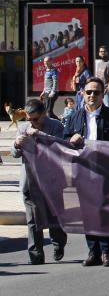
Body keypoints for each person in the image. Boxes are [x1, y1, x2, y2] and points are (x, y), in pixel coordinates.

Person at [65, 77, 109, 267]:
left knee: (104, 211)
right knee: (87, 212)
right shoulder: (73, 117)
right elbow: (63, 141)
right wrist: (70, 139)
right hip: (82, 171)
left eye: (96, 92)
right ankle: (94, 251)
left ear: (103, 94)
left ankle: (107, 252)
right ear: (82, 93)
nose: (92, 95)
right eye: (89, 92)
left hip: (105, 172)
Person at [12, 98, 68, 264]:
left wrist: (40, 135)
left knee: (54, 217)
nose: (32, 123)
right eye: (29, 119)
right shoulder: (23, 128)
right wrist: (16, 144)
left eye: (35, 119)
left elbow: (60, 148)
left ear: (44, 114)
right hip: (30, 181)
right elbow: (14, 154)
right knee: (32, 219)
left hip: (51, 180)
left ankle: (58, 242)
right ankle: (35, 255)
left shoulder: (56, 126)